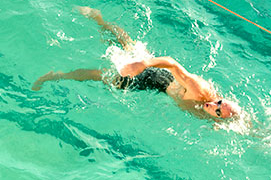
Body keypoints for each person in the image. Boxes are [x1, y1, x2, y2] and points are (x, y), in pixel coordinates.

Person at [31, 6, 240, 122]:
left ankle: (99, 19)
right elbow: (172, 64)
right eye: (219, 103)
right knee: (103, 77)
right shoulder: (199, 90)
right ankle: (56, 75)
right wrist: (144, 64)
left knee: (127, 43)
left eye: (218, 111)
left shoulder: (213, 118)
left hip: (158, 77)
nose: (213, 106)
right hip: (154, 77)